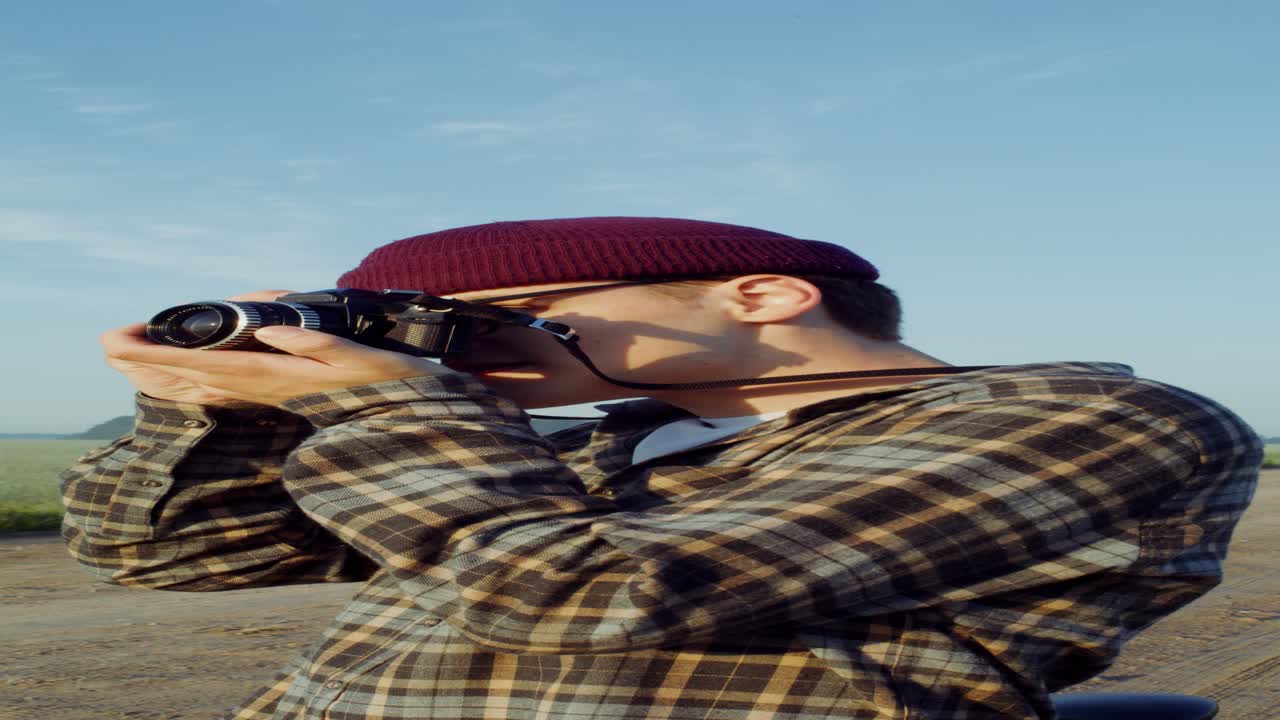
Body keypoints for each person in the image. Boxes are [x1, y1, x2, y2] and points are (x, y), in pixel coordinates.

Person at [61, 216, 1262, 720]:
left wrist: (387, 401)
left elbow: (591, 596)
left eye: (491, 319)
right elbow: (177, 557)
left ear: (764, 296)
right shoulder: (596, 442)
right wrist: (212, 404)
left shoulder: (1092, 418)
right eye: (428, 332)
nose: (456, 352)